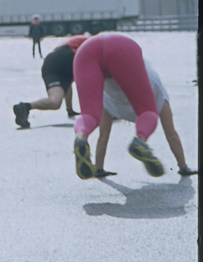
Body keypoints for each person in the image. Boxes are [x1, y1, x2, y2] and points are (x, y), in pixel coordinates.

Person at [70, 34, 164, 180]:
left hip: (85, 52)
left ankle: (81, 135)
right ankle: (139, 139)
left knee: (89, 113)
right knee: (148, 110)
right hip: (122, 47)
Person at [92, 59, 196, 178]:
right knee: (171, 132)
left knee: (103, 134)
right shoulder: (153, 81)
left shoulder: (108, 87)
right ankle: (183, 167)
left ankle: (98, 168)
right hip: (150, 99)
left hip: (115, 101)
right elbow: (172, 135)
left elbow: (102, 137)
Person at [12, 35, 87, 128]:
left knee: (56, 99)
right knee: (56, 101)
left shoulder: (81, 41)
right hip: (62, 61)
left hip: (53, 62)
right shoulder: (96, 44)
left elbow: (69, 81)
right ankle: (26, 107)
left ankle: (26, 107)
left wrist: (70, 110)